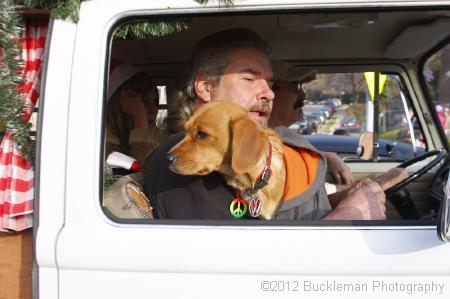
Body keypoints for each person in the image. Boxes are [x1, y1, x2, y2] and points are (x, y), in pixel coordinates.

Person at [143, 28, 386, 221]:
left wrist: (347, 197)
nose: (269, 93)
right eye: (249, 78)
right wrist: (349, 216)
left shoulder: (242, 147)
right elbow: (244, 264)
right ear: (206, 88)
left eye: (269, 82)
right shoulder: (183, 159)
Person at [269, 64, 354, 186]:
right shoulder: (262, 148)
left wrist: (327, 157)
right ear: (270, 92)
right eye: (295, 87)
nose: (303, 95)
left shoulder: (281, 140)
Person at [105, 61, 167, 171]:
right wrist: (140, 119)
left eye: (155, 102)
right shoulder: (104, 147)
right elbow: (146, 174)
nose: (154, 110)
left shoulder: (159, 137)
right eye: (144, 102)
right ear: (123, 106)